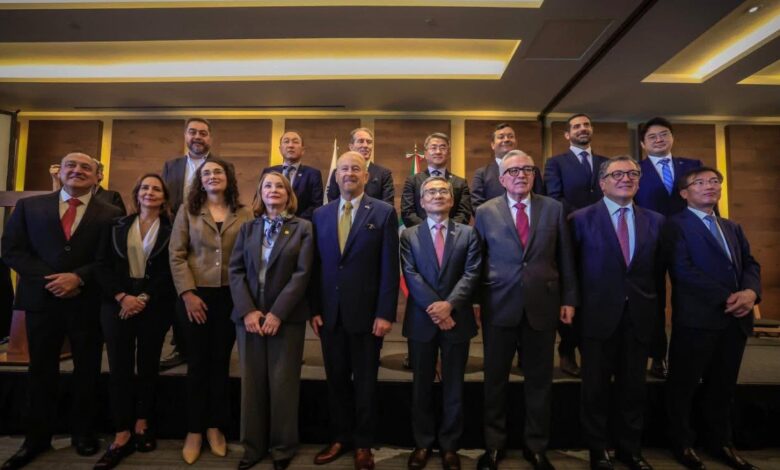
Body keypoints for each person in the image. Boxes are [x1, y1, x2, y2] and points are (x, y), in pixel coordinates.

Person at [1, 152, 123, 470]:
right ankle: (36, 439)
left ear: (97, 176)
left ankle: (83, 434)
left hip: (87, 303)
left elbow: (112, 258)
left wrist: (78, 277)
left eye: (86, 167)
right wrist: (52, 279)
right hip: (42, 302)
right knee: (41, 372)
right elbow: (12, 250)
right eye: (71, 165)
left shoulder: (111, 213)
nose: (77, 170)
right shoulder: (29, 207)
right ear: (60, 171)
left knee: (87, 371)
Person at [474, 150, 577, 470]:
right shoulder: (485, 211)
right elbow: (477, 259)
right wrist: (475, 301)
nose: (521, 175)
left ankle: (536, 446)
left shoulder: (554, 208)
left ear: (535, 175)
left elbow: (565, 257)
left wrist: (569, 299)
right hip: (498, 304)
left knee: (540, 380)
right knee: (495, 380)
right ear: (502, 178)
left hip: (543, 305)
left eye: (527, 170)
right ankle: (494, 445)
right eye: (513, 171)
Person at [569, 156, 664, 470]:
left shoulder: (656, 221)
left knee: (633, 388)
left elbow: (658, 273)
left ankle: (630, 450)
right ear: (602, 183)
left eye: (632, 173)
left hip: (639, 316)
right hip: (596, 317)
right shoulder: (579, 219)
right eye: (618, 174)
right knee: (594, 389)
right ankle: (598, 450)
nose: (626, 178)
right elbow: (571, 271)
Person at [663, 167, 761, 470]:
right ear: (684, 193)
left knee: (723, 387)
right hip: (697, 319)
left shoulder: (732, 227)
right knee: (683, 386)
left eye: (714, 181)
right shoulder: (674, 225)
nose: (710, 186)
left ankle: (721, 443)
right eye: (700, 182)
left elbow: (750, 264)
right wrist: (729, 298)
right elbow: (682, 269)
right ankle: (682, 444)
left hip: (735, 321)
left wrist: (750, 293)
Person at [311, 151, 399, 470]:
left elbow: (390, 267)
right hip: (330, 315)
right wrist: (314, 309)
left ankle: (363, 443)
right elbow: (315, 267)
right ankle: (340, 437)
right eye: (343, 169)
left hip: (368, 316)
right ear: (336, 176)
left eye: (355, 169)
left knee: (365, 383)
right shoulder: (320, 214)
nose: (349, 173)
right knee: (335, 380)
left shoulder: (384, 212)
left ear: (366, 176)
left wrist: (385, 313)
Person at [169, 158, 253, 464]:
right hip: (195, 296)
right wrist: (187, 293)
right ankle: (194, 430)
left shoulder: (245, 213)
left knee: (220, 363)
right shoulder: (187, 211)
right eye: (207, 173)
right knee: (197, 363)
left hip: (231, 297)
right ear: (200, 180)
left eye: (218, 172)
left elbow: (250, 256)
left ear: (228, 178)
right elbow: (176, 255)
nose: (213, 176)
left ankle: (215, 427)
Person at [229, 172, 314, 470]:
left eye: (280, 186)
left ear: (289, 194)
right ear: (260, 193)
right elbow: (235, 271)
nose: (274, 190)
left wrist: (277, 313)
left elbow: (302, 274)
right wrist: (248, 311)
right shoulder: (247, 228)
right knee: (251, 386)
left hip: (286, 318)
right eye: (268, 185)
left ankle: (282, 448)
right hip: (249, 318)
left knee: (283, 385)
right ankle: (252, 447)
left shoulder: (303, 228)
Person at [93, 174, 175, 469]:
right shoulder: (115, 225)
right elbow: (101, 265)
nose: (150, 192)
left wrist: (143, 297)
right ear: (137, 193)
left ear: (164, 197)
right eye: (145, 188)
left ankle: (143, 421)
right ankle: (122, 430)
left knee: (148, 365)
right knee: (120, 367)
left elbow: (170, 269)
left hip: (154, 306)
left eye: (156, 189)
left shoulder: (172, 229)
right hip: (116, 305)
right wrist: (122, 297)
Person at [400, 176, 482, 470]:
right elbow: (410, 274)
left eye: (443, 191)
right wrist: (436, 309)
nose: (437, 195)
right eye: (431, 192)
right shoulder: (408, 235)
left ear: (452, 199)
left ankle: (450, 446)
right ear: (421, 202)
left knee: (454, 386)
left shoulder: (469, 234)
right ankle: (422, 443)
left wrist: (449, 307)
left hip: (456, 319)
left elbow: (472, 273)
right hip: (421, 320)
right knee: (421, 385)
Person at [635, 117, 705, 379]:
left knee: (690, 297)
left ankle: (688, 356)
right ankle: (658, 356)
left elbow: (706, 201)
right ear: (643, 144)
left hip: (688, 240)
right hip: (650, 242)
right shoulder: (635, 170)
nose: (659, 140)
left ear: (672, 137)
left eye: (664, 134)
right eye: (652, 137)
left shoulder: (692, 166)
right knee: (654, 301)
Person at [543, 113, 609, 378]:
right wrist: (586, 217)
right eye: (576, 126)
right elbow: (555, 197)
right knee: (571, 292)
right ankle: (567, 349)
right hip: (570, 234)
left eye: (586, 125)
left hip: (604, 236)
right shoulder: (555, 163)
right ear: (567, 135)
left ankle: (596, 351)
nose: (583, 129)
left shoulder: (606, 163)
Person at [160, 117, 214, 369]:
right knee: (178, 293)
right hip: (175, 236)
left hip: (207, 238)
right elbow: (164, 201)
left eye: (203, 133)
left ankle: (202, 348)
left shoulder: (220, 165)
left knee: (202, 295)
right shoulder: (171, 166)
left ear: (210, 138)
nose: (198, 137)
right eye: (193, 132)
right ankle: (180, 347)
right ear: (185, 136)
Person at [400, 132, 472, 227]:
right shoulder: (413, 181)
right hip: (420, 233)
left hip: (453, 234)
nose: (438, 152)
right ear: (425, 154)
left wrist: (446, 230)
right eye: (433, 148)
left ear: (449, 153)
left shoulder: (460, 183)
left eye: (442, 148)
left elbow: (464, 213)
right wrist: (429, 230)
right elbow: (407, 212)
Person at [470, 123, 544, 211]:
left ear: (516, 142)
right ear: (492, 145)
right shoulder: (482, 174)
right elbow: (477, 207)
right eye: (501, 137)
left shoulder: (532, 169)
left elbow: (541, 201)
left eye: (510, 136)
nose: (506, 139)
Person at [261, 130, 323, 220]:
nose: (290, 145)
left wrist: (293, 223)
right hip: (270, 223)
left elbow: (316, 205)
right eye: (286, 142)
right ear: (280, 149)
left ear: (303, 150)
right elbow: (259, 200)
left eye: (295, 142)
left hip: (301, 225)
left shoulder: (313, 174)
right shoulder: (268, 172)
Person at [326, 128, 394, 204]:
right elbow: (332, 202)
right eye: (361, 141)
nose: (365, 145)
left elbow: (388, 205)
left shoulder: (383, 174)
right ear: (351, 147)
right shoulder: (339, 172)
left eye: (369, 142)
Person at [50, 160, 127, 215]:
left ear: (100, 175)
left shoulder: (112, 196)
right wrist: (56, 179)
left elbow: (120, 221)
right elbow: (57, 205)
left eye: (88, 169)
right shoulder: (74, 195)